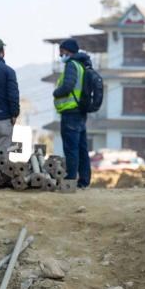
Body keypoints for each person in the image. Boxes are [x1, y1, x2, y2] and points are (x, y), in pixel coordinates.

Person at [52, 38, 93, 189]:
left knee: (71, 148)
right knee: (82, 148)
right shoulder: (82, 64)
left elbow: (68, 85)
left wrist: (56, 92)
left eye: (61, 52)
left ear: (67, 51)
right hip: (80, 112)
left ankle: (70, 180)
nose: (60, 55)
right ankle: (84, 181)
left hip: (71, 113)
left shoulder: (71, 65)